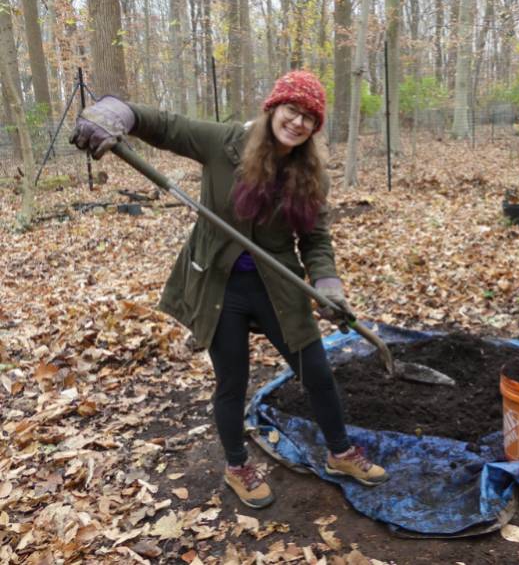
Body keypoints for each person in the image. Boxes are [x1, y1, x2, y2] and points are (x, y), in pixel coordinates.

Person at [70, 71, 389, 509]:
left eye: (309, 118)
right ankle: (237, 465)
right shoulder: (223, 143)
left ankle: (340, 453)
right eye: (291, 110)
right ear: (273, 107)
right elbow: (164, 125)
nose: (297, 122)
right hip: (220, 283)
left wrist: (329, 285)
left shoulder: (312, 175)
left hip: (279, 283)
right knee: (232, 380)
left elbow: (315, 240)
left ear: (315, 128)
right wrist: (115, 112)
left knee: (316, 371)